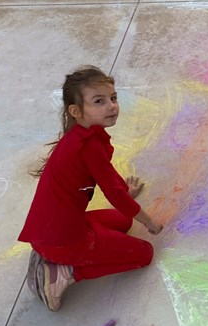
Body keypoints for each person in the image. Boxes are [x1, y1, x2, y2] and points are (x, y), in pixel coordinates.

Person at [19, 66, 164, 312]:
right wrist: (149, 221)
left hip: (55, 229)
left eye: (113, 98)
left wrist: (123, 192)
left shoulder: (81, 136)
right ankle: (65, 271)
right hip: (62, 239)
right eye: (99, 101)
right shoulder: (88, 146)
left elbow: (106, 176)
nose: (111, 106)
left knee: (123, 222)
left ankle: (53, 257)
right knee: (144, 254)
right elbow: (114, 195)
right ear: (76, 111)